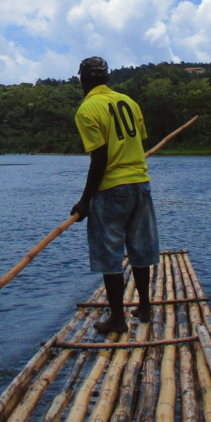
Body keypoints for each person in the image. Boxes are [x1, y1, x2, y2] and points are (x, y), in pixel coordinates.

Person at [71, 56, 160, 334]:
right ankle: (144, 307)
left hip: (112, 190)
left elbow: (99, 158)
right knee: (140, 248)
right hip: (140, 184)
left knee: (110, 255)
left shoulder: (87, 109)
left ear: (83, 79)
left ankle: (118, 319)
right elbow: (135, 140)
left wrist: (85, 200)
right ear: (107, 78)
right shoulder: (129, 103)